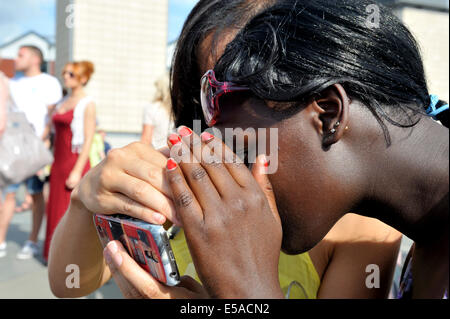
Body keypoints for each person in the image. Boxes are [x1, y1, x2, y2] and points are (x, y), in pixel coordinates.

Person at [47, 1, 412, 299]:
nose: (231, 126)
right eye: (213, 97)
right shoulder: (179, 171)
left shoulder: (361, 226)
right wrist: (84, 202)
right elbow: (72, 284)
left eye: (257, 88)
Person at [0, 46, 62, 260]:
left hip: (36, 148)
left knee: (35, 195)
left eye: (21, 55)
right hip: (12, 147)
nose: (16, 59)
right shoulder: (11, 83)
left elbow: (52, 115)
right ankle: (1, 240)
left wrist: (43, 142)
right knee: (8, 194)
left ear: (35, 59)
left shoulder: (49, 83)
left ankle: (32, 241)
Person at [43, 61, 96, 262]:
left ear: (83, 78)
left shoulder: (87, 103)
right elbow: (50, 130)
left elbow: (89, 138)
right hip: (58, 161)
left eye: (71, 74)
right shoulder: (62, 101)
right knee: (54, 207)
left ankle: (69, 259)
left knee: (70, 212)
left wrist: (77, 171)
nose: (66, 76)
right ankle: (54, 256)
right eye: (64, 73)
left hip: (74, 162)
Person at [141, 73, 174, 149]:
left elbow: (145, 140)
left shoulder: (151, 108)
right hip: (176, 154)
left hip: (157, 154)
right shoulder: (178, 109)